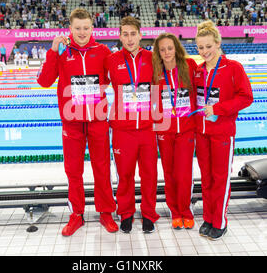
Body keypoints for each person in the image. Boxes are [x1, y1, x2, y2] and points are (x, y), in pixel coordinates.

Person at [37, 8, 118, 236]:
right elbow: (44, 81)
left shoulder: (102, 51)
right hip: (71, 122)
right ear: (70, 29)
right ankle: (76, 214)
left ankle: (106, 212)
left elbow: (117, 80)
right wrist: (53, 52)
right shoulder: (61, 52)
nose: (82, 32)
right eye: (77, 28)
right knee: (73, 170)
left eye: (86, 28)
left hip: (98, 120)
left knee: (102, 168)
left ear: (92, 28)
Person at [194, 20, 253, 240]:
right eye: (200, 48)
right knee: (207, 178)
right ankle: (208, 218)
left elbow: (247, 97)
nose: (205, 51)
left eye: (208, 46)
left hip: (222, 132)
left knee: (220, 178)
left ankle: (219, 221)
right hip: (201, 133)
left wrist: (218, 108)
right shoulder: (199, 71)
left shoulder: (233, 68)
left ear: (218, 43)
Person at [105, 16, 160, 234]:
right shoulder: (112, 59)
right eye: (125, 34)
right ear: (120, 36)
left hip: (147, 128)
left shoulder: (152, 57)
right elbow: (96, 84)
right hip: (122, 129)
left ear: (140, 34)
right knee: (125, 175)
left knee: (149, 175)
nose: (129, 38)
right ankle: (126, 213)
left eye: (133, 34)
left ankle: (148, 214)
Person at [152, 33, 197, 230]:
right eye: (162, 49)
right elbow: (153, 101)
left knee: (184, 173)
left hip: (186, 129)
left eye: (170, 48)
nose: (167, 52)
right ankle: (175, 211)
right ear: (158, 53)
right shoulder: (156, 73)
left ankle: (186, 210)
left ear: (176, 48)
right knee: (169, 172)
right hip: (165, 130)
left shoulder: (189, 67)